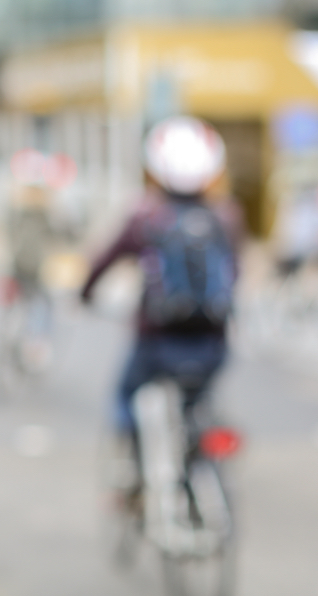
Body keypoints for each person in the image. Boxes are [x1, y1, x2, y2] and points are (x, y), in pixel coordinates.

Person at [80, 116, 242, 436]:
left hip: (157, 337)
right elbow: (235, 272)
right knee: (199, 402)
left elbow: (104, 260)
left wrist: (85, 293)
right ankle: (199, 451)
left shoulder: (145, 215)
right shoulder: (226, 215)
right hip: (213, 338)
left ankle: (132, 474)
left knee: (126, 396)